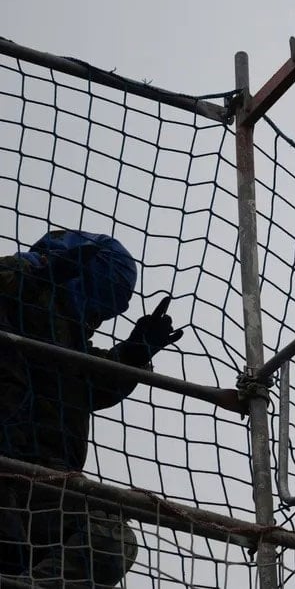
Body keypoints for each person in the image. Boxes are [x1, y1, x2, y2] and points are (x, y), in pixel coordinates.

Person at [0, 230, 184, 587]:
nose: (100, 316)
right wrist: (42, 271)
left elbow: (89, 383)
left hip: (46, 477)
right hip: (6, 456)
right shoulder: (20, 282)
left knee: (108, 540)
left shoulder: (71, 336)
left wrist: (134, 352)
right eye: (103, 301)